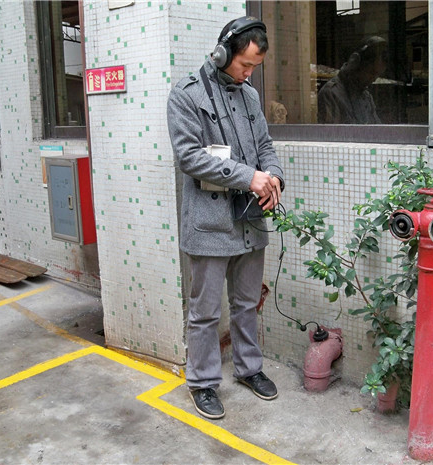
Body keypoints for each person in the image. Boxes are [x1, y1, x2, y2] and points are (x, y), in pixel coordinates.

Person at [167, 16, 284, 420]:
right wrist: (248, 176)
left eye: (254, 67)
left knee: (247, 303)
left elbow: (265, 146)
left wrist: (273, 178)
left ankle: (249, 369)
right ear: (223, 52)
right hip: (209, 222)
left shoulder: (249, 96)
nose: (248, 73)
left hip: (249, 218)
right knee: (204, 311)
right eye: (244, 65)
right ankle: (202, 383)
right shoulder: (187, 95)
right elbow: (189, 157)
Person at [318, 36, 388, 124]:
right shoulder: (331, 94)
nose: (373, 80)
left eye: (377, 75)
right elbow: (330, 136)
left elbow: (377, 131)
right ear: (355, 63)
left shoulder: (366, 96)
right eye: (371, 72)